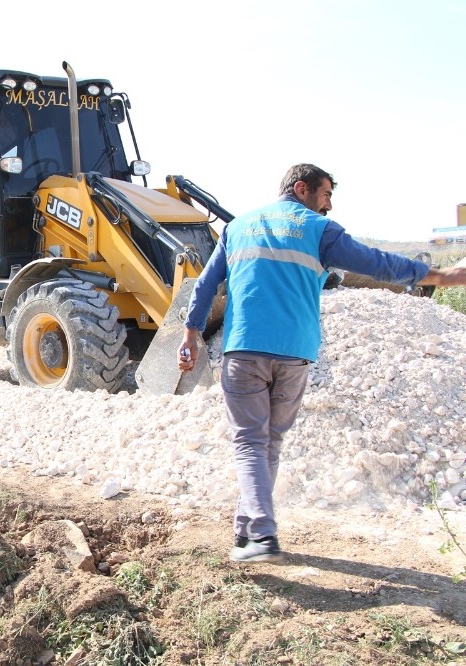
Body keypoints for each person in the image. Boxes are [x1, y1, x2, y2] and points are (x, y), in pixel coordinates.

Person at [177, 163, 466, 564]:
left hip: (244, 350)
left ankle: (255, 531)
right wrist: (439, 276)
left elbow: (207, 284)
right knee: (267, 442)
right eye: (326, 194)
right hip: (295, 352)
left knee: (250, 441)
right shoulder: (319, 230)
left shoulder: (238, 226)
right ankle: (252, 532)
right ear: (302, 188)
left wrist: (190, 335)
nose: (328, 205)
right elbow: (376, 262)